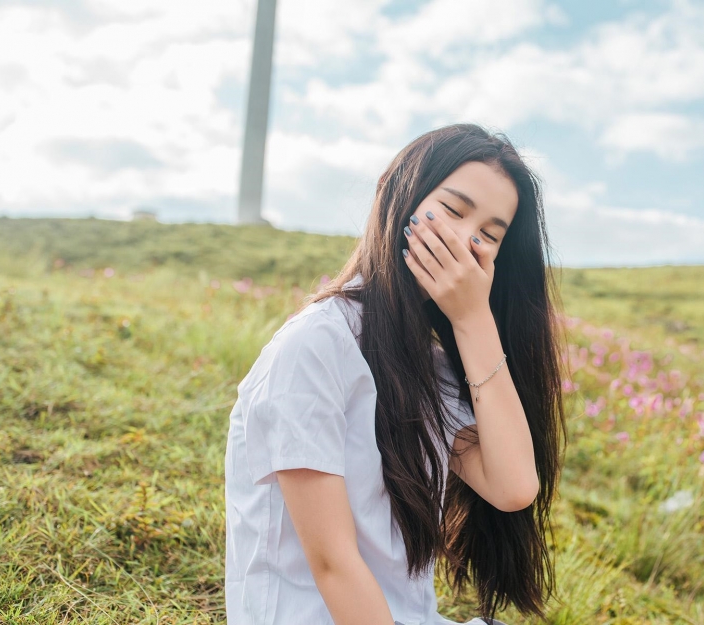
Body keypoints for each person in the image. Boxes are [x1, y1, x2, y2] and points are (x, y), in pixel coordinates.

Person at [224, 123, 569, 625]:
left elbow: (513, 486)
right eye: (453, 210)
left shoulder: (425, 365)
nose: (466, 239)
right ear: (400, 196)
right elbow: (332, 564)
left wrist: (474, 320)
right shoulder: (315, 345)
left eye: (489, 236)